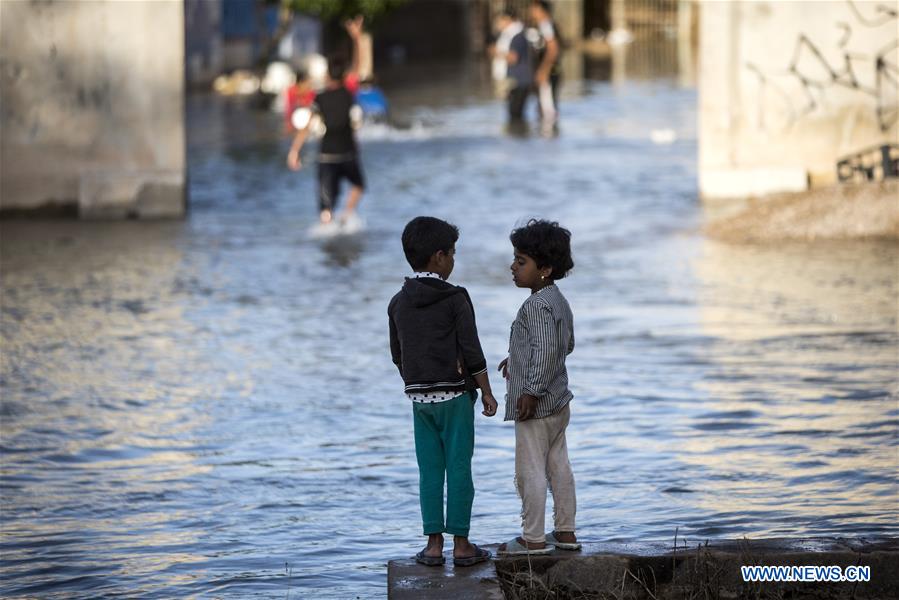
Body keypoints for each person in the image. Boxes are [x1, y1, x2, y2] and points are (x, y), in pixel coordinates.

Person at [388, 216, 498, 568]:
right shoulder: (455, 298)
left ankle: (433, 546)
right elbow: (472, 349)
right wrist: (487, 392)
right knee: (459, 467)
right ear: (438, 257)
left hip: (419, 400)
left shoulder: (397, 303)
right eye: (452, 254)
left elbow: (397, 354)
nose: (453, 261)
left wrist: (416, 378)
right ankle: (462, 544)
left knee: (430, 470)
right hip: (454, 398)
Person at [496, 219, 580, 556]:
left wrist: (529, 390)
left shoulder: (535, 306)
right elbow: (564, 345)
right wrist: (514, 359)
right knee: (558, 466)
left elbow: (545, 351)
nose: (512, 267)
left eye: (521, 261)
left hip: (537, 407)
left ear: (544, 268)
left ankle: (532, 539)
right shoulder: (558, 300)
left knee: (529, 470)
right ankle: (566, 532)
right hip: (559, 404)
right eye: (514, 259)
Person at [286, 17, 365, 225]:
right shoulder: (349, 92)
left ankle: (327, 226)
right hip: (348, 152)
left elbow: (306, 128)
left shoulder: (318, 98)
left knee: (325, 206)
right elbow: (358, 67)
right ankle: (347, 216)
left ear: (328, 73)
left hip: (326, 155)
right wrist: (356, 39)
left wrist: (294, 151)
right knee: (358, 186)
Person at [493, 10, 533, 126]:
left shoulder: (517, 36)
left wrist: (497, 53)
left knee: (515, 113)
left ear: (508, 20)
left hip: (519, 81)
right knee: (514, 113)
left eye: (500, 21)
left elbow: (513, 58)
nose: (498, 24)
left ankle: (518, 138)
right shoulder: (511, 35)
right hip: (516, 80)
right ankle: (517, 138)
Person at [528, 0, 562, 128]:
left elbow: (553, 48)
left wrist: (543, 70)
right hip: (551, 70)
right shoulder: (546, 25)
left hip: (550, 71)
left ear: (541, 10)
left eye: (534, 9)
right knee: (544, 106)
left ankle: (549, 139)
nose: (532, 12)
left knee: (548, 109)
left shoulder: (546, 25)